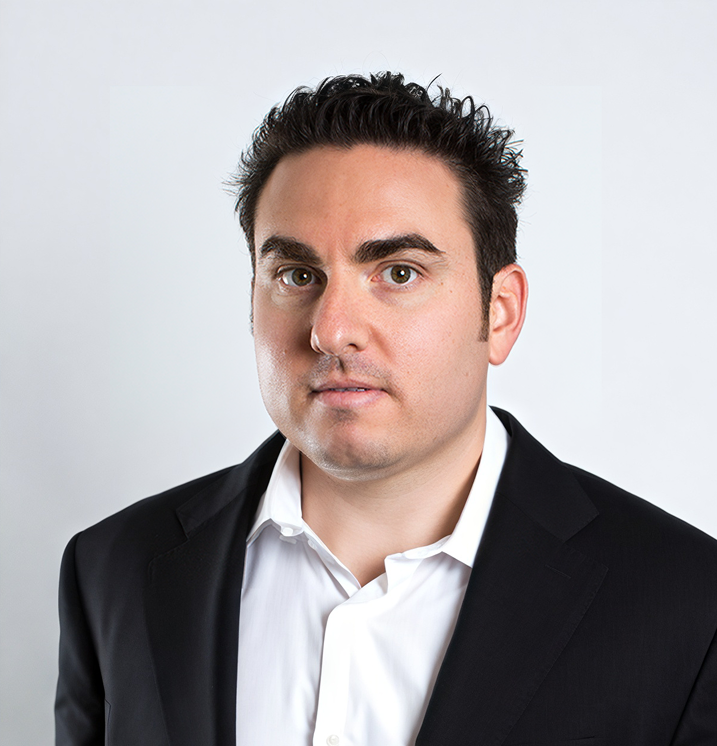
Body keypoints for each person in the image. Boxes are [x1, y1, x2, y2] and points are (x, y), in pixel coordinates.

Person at [56, 74, 717, 746]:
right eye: (296, 275)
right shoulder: (113, 570)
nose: (331, 330)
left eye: (399, 272)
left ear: (500, 311)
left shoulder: (688, 606)